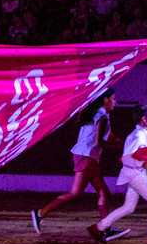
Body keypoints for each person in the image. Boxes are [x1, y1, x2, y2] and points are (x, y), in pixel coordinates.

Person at [30, 88, 118, 233]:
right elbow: (98, 142)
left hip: (85, 155)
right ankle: (40, 213)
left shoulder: (94, 113)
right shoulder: (102, 116)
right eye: (113, 99)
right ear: (105, 100)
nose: (115, 102)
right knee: (77, 193)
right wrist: (116, 146)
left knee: (102, 192)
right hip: (87, 156)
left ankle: (106, 227)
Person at [89, 103, 147, 244]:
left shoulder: (140, 133)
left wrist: (145, 162)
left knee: (129, 207)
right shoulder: (138, 136)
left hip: (134, 174)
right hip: (134, 175)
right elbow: (125, 158)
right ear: (144, 119)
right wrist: (142, 164)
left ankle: (99, 227)